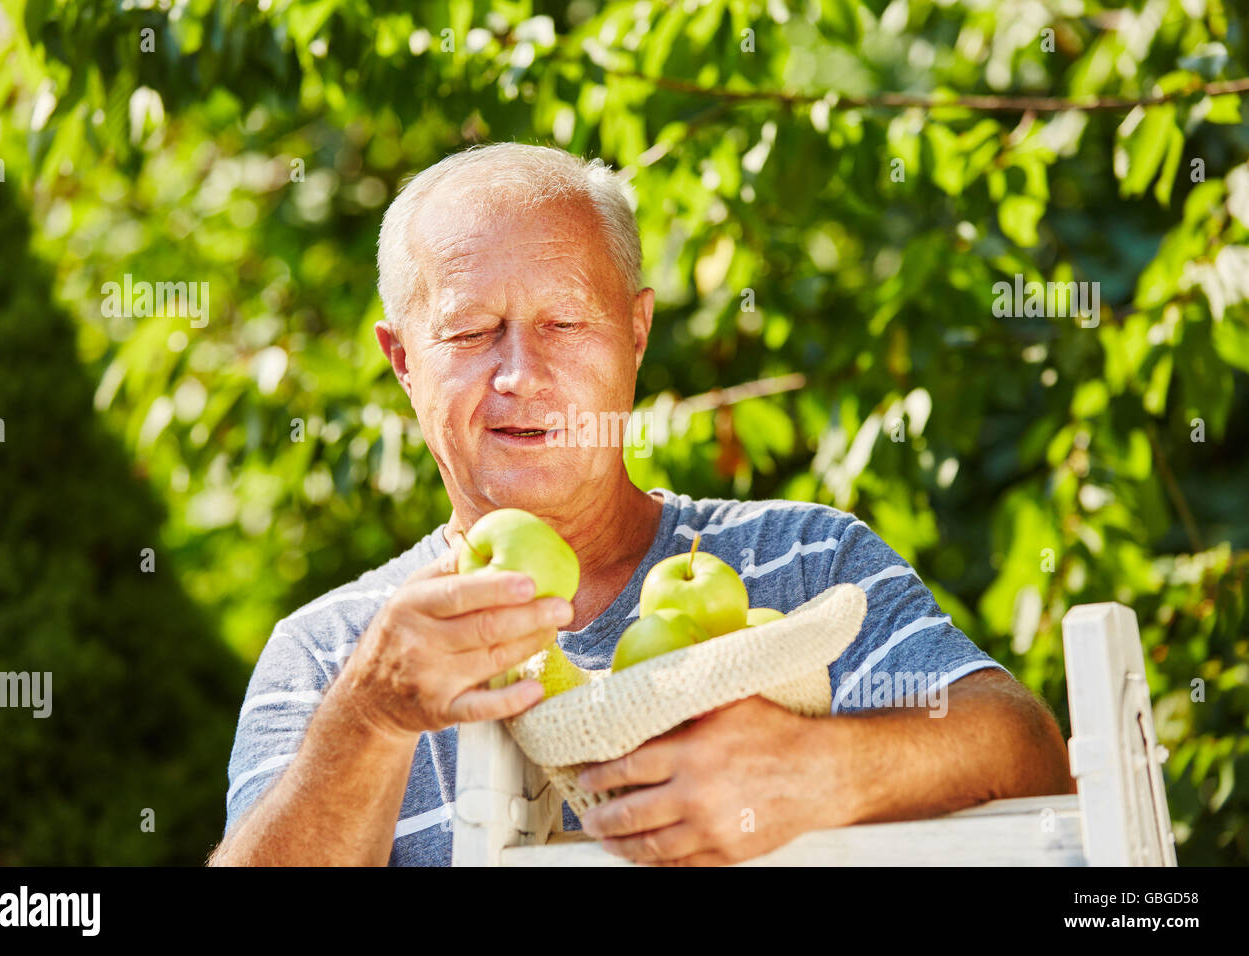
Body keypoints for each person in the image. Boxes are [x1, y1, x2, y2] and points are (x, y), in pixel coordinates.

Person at [209, 143, 1073, 867]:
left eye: (566, 324)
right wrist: (372, 717)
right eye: (471, 333)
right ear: (402, 361)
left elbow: (1027, 752)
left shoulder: (808, 564)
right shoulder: (335, 656)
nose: (520, 375)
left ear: (637, 332)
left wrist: (817, 769)